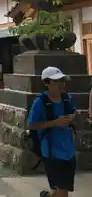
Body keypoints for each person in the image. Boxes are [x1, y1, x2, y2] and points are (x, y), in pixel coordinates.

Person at [28, 67, 76, 197]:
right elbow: (31, 125)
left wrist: (72, 117)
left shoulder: (67, 98)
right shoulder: (40, 102)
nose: (61, 84)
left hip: (69, 151)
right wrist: (54, 123)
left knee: (61, 188)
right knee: (62, 191)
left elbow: (73, 112)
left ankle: (47, 195)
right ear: (46, 83)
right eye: (56, 81)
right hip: (51, 152)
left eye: (62, 80)